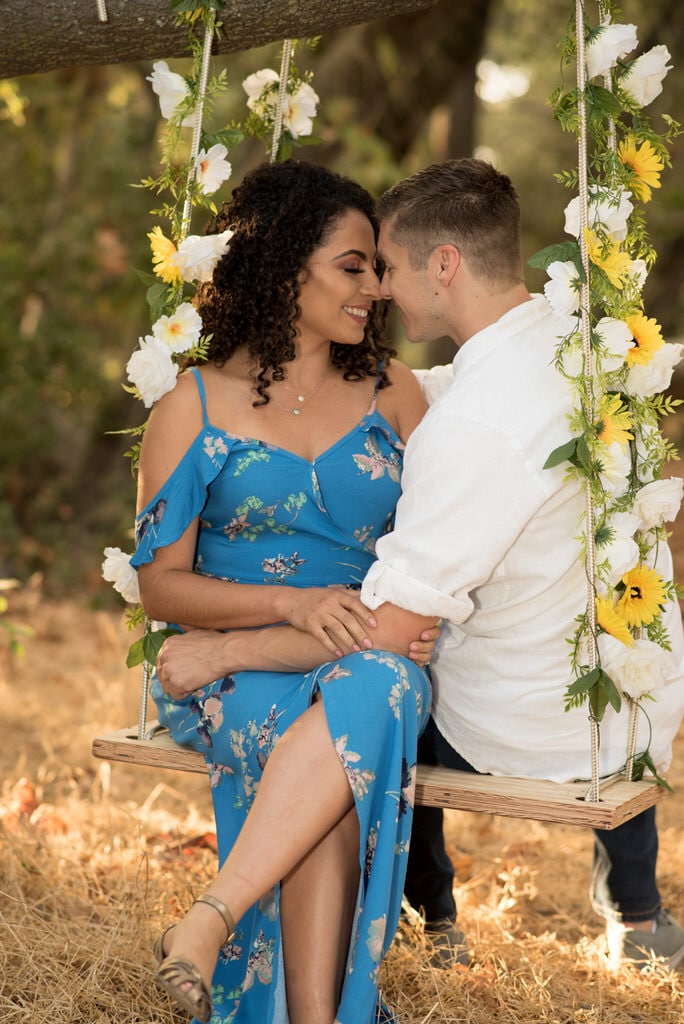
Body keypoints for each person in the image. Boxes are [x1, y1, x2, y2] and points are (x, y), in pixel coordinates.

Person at [131, 159, 440, 1024]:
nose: (375, 288)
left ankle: (209, 918)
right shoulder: (192, 406)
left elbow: (447, 541)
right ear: (283, 264)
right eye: (354, 266)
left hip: (368, 651)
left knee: (370, 692)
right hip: (251, 678)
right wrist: (288, 609)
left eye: (377, 269)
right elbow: (162, 586)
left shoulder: (397, 395)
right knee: (346, 745)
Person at [357, 157, 684, 972]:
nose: (384, 289)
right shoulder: (578, 338)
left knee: (386, 677)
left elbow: (398, 617)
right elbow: (477, 400)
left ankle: (427, 917)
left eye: (391, 267)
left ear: (444, 265)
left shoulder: (472, 428)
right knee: (565, 603)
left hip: (520, 727)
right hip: (636, 699)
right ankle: (636, 914)